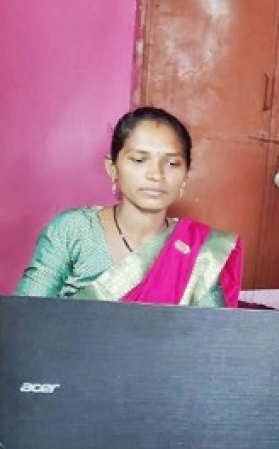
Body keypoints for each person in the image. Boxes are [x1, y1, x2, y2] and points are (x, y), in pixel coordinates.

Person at [15, 106, 242, 307]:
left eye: (172, 163)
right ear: (112, 168)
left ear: (185, 176)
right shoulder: (74, 231)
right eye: (139, 160)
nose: (156, 174)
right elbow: (25, 316)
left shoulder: (200, 252)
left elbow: (210, 334)